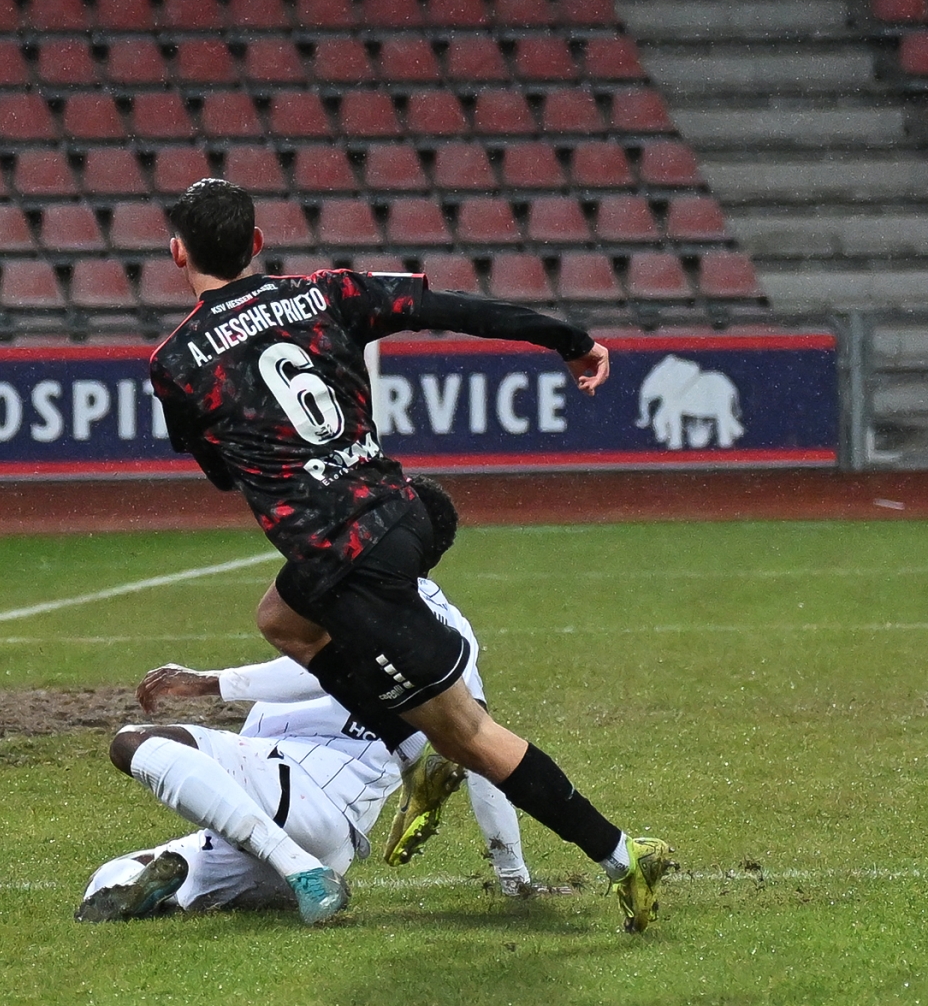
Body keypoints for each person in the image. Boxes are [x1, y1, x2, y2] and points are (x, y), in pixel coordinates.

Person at [147, 178, 674, 933]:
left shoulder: (176, 360)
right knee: (282, 619)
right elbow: (454, 309)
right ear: (257, 243)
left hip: (348, 558)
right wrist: (569, 338)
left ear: (177, 253)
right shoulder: (327, 292)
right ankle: (411, 754)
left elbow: (221, 473)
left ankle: (623, 854)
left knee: (469, 734)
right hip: (401, 513)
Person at [92, 479, 567, 925]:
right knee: (112, 878)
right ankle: (215, 882)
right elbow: (483, 754)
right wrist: (513, 875)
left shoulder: (374, 597)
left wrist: (213, 682)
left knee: (134, 743)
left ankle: (298, 869)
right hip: (314, 825)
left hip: (297, 780)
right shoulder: (452, 630)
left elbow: (314, 673)